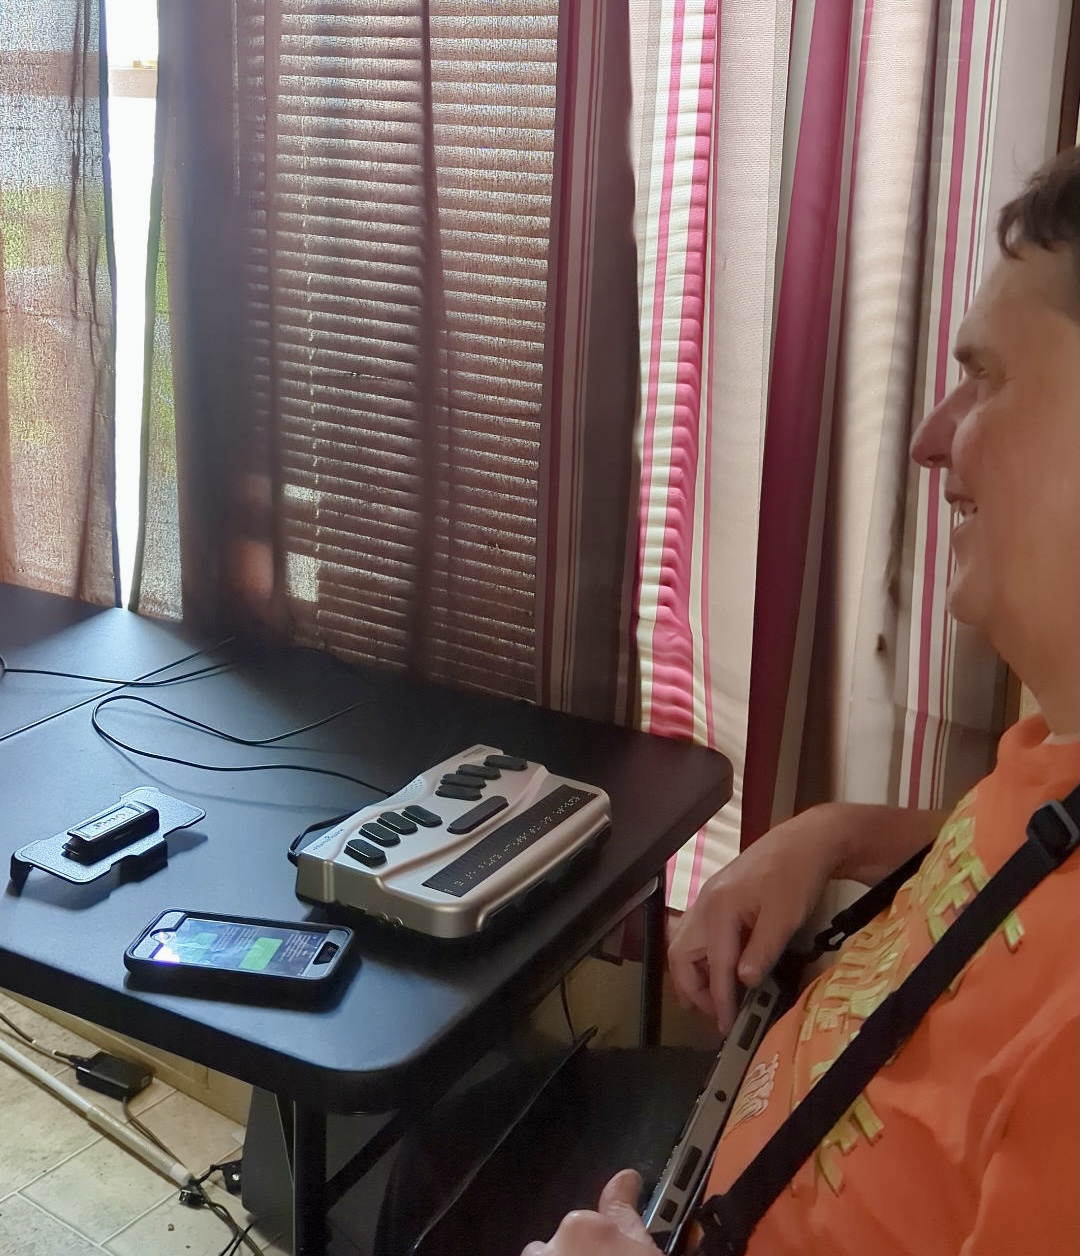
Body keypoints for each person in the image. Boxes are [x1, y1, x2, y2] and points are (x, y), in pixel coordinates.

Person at [378, 144, 1080, 1256]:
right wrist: (836, 832)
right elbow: (1022, 877)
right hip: (733, 1132)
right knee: (447, 1148)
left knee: (439, 1190)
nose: (932, 436)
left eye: (987, 377)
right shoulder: (1057, 750)